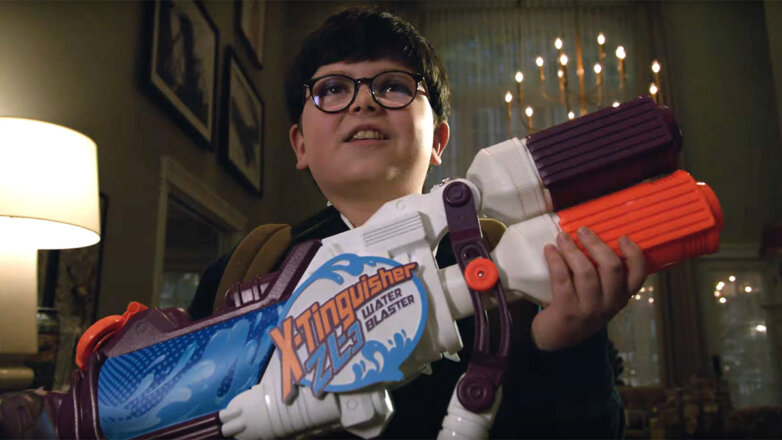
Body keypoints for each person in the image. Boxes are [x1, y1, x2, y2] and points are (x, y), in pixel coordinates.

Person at [188, 6, 647, 439]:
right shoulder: (243, 274)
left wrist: (568, 345)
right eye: (332, 89)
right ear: (301, 145)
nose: (362, 102)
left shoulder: (520, 272)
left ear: (438, 140)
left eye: (393, 86)